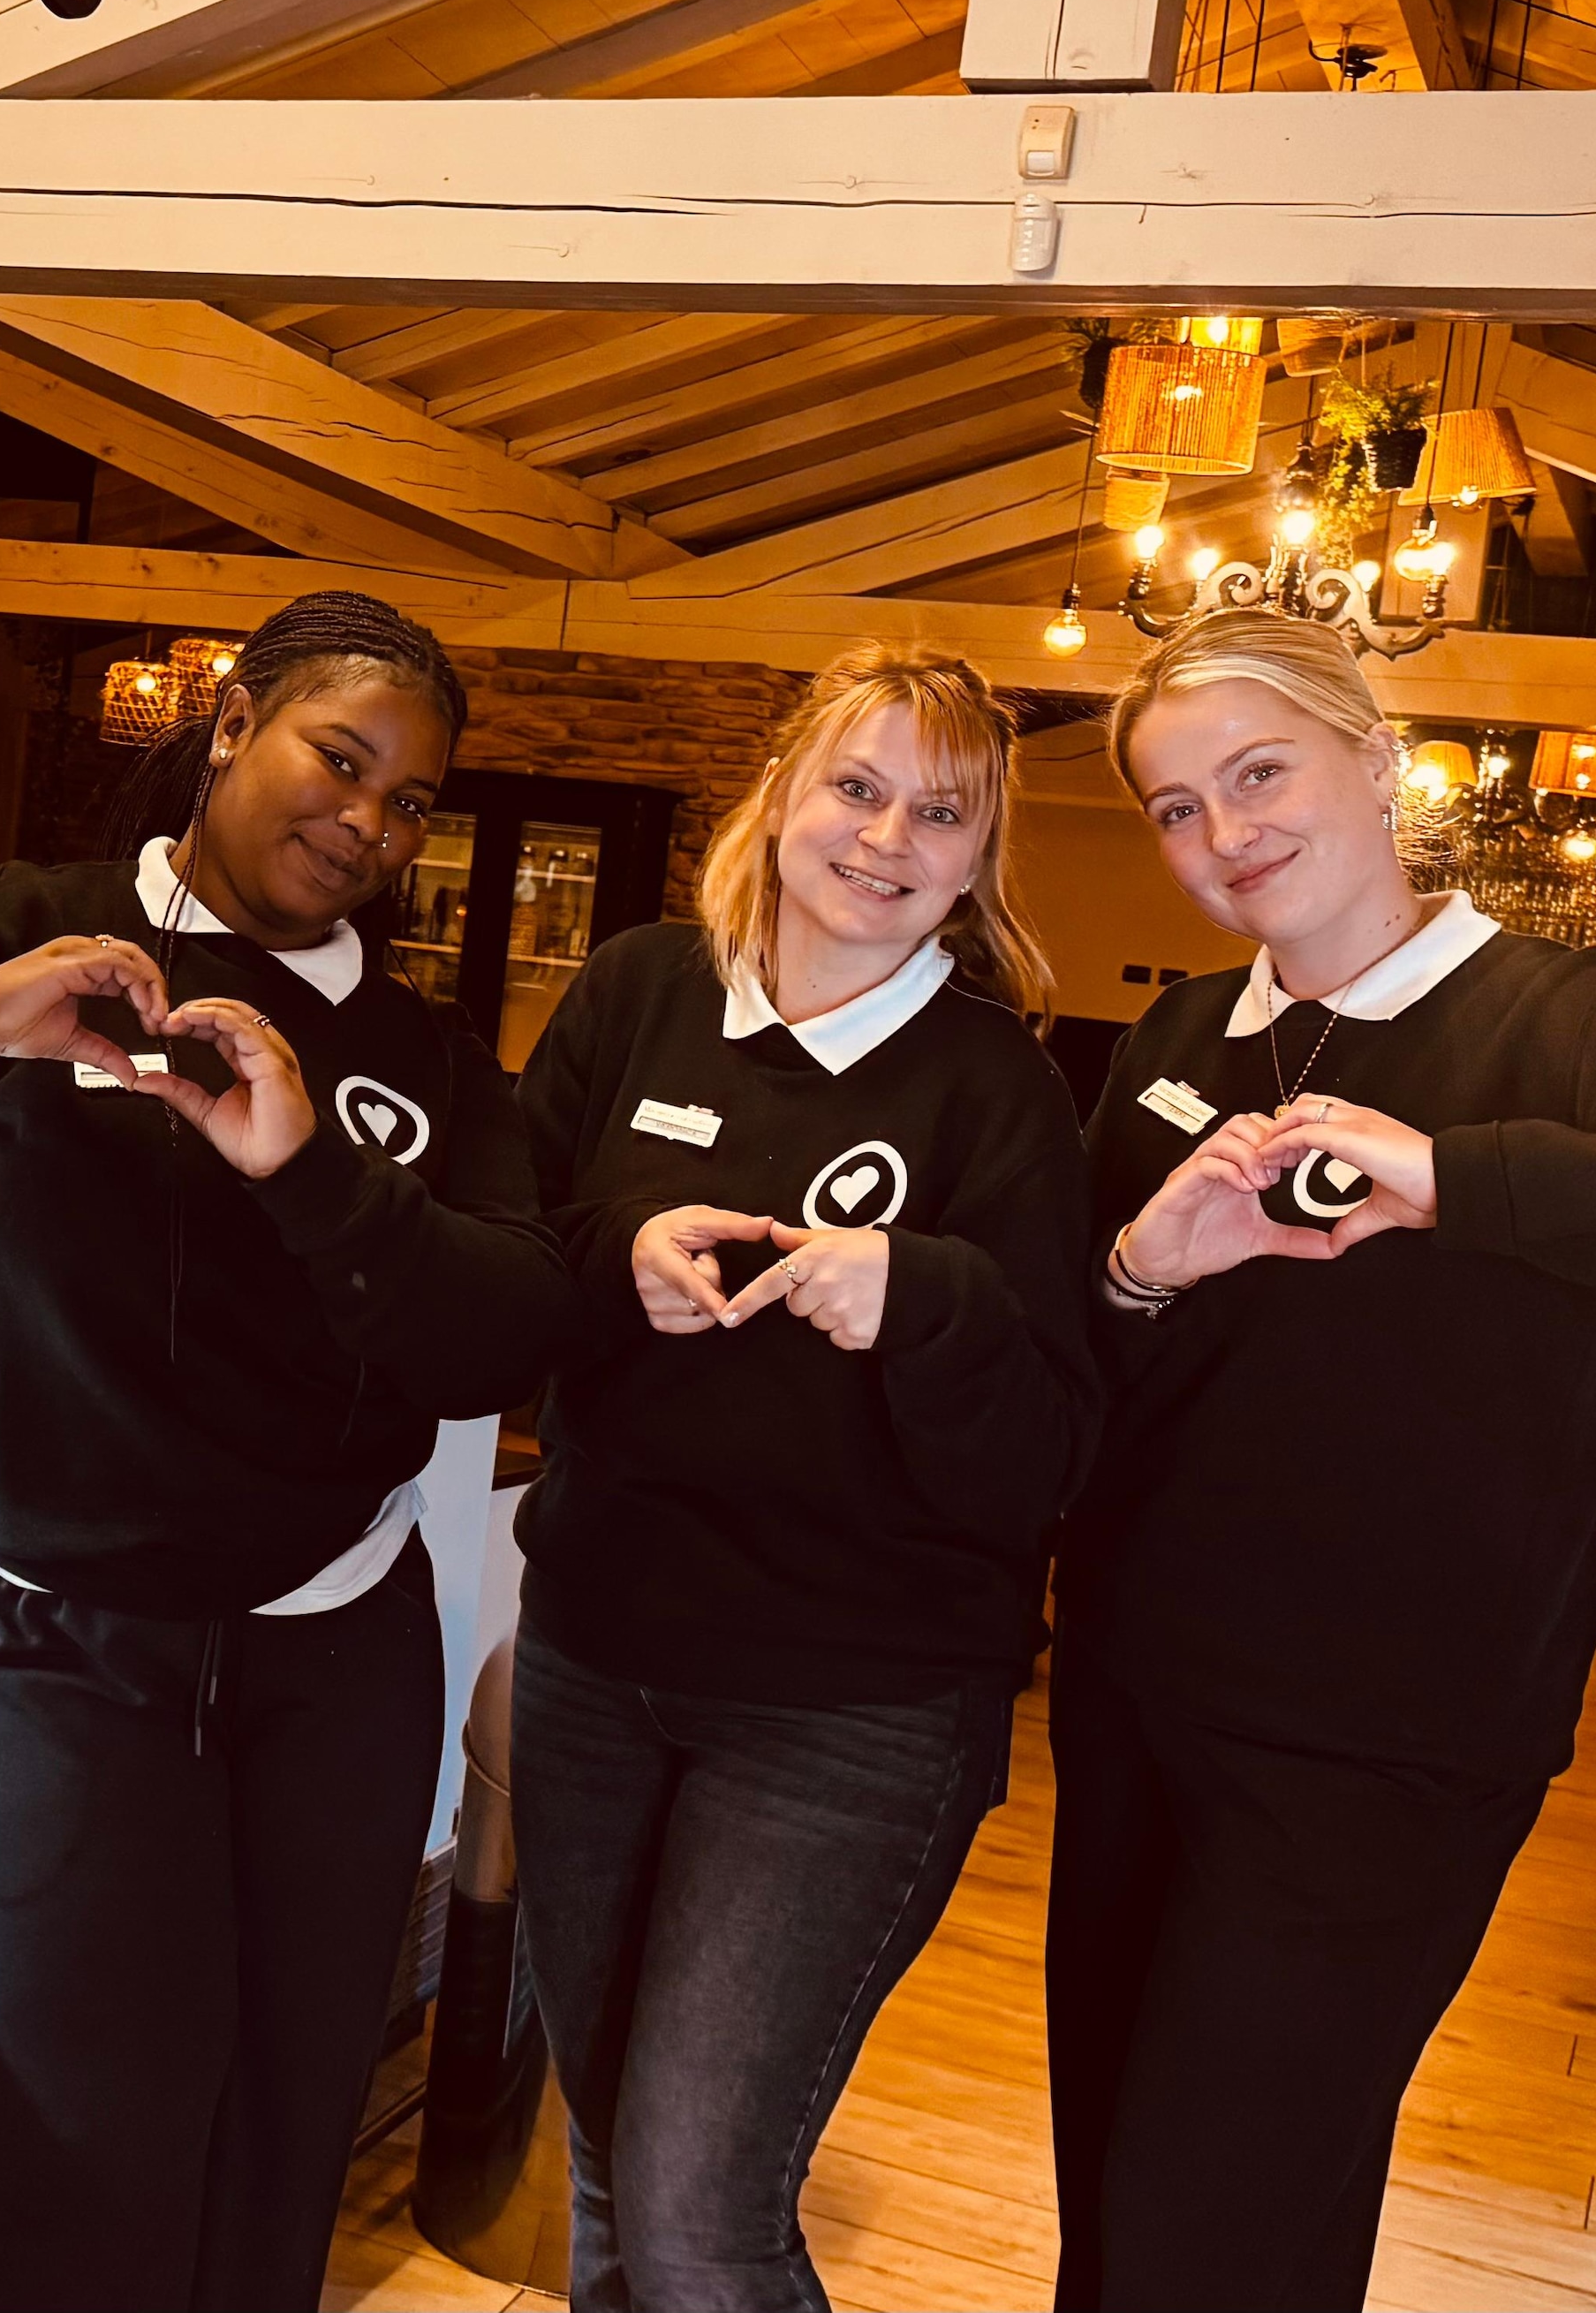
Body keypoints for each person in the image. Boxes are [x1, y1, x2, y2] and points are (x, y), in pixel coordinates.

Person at [0, 591, 575, 2313]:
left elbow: (502, 1333)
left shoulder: (419, 1056)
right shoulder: (21, 933)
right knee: (77, 2189)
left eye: (410, 800)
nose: (366, 820)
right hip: (35, 1658)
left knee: (271, 2175)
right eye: (337, 758)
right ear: (234, 724)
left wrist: (309, 1171)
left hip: (331, 1676)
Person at [1048, 610, 1596, 2309]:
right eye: (1176, 807)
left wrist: (1459, 1176)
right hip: (1134, 1704)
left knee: (1193, 2233)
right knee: (1136, 2198)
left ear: (1378, 759)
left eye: (1260, 772)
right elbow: (1074, 1373)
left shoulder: (1577, 1027)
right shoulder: (1174, 1047)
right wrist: (1134, 1272)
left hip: (1390, 1750)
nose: (1227, 832)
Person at [506, 645, 1099, 2313]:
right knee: (612, 2161)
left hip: (854, 1717)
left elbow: (1049, 1456)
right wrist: (614, 1253)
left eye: (941, 812)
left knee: (701, 2213)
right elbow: (503, 1261)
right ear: (781, 796)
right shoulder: (636, 991)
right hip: (595, 1663)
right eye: (856, 786)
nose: (887, 838)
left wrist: (925, 1298)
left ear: (979, 860)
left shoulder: (1003, 1092)